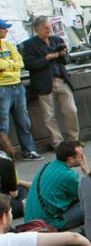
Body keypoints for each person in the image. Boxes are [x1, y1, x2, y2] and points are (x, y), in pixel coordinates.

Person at [20, 15, 79, 150]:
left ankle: (73, 139)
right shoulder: (29, 45)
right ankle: (57, 142)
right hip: (44, 83)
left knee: (71, 109)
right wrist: (46, 58)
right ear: (37, 30)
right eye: (46, 28)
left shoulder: (56, 40)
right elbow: (29, 64)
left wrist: (62, 55)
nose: (49, 30)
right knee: (49, 115)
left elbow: (66, 60)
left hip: (61, 79)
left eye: (49, 26)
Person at [24, 139, 87, 230]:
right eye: (81, 156)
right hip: (50, 223)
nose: (83, 158)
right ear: (71, 159)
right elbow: (88, 196)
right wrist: (87, 172)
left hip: (30, 220)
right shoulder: (69, 175)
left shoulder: (47, 165)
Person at [0, 19, 40, 159]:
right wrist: (12, 66)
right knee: (3, 123)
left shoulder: (8, 44)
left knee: (23, 121)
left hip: (17, 85)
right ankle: (4, 153)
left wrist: (8, 67)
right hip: (2, 87)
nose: (7, 30)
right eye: (4, 28)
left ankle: (29, 150)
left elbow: (20, 63)